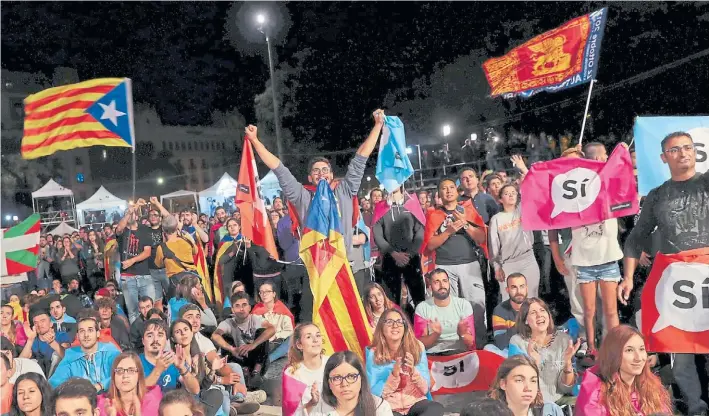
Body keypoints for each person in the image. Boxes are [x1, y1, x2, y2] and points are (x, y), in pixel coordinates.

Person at [620, 131, 709, 415]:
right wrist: (628, 277)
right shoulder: (657, 196)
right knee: (681, 358)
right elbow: (634, 239)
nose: (683, 153)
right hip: (677, 285)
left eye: (688, 147)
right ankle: (696, 409)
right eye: (675, 150)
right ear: (663, 158)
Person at [568, 142, 625, 359]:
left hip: (608, 258)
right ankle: (592, 348)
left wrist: (621, 152)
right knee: (589, 311)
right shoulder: (573, 190)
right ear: (595, 159)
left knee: (611, 310)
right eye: (603, 156)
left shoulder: (609, 183)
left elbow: (623, 177)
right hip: (584, 261)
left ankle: (614, 347)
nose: (606, 159)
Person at [422, 178, 488, 343]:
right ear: (439, 194)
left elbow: (481, 237)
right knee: (450, 310)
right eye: (444, 188)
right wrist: (448, 231)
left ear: (457, 191)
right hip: (445, 267)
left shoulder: (468, 209)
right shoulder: (434, 214)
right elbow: (429, 245)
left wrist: (465, 224)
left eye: (452, 187)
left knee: (477, 307)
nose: (449, 190)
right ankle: (454, 345)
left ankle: (479, 344)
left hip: (470, 264)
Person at [575, 325, 672, 416]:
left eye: (642, 349)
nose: (638, 358)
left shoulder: (651, 385)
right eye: (629, 350)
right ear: (613, 355)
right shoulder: (595, 393)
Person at [366, 309, 442, 416]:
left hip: (416, 402)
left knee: (434, 408)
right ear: (381, 328)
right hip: (390, 406)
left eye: (399, 321)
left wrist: (413, 371)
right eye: (389, 322)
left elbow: (425, 389)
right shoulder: (373, 353)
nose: (395, 325)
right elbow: (375, 393)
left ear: (405, 327)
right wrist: (394, 376)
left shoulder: (417, 346)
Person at [508, 298, 579, 405]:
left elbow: (565, 389)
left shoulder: (564, 340)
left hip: (559, 400)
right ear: (526, 320)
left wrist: (568, 363)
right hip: (530, 402)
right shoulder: (517, 342)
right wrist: (533, 363)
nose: (539, 315)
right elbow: (518, 385)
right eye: (533, 312)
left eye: (542, 310)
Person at [372, 186, 426, 307]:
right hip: (389, 258)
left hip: (411, 258)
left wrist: (410, 254)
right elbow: (377, 234)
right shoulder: (380, 207)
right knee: (391, 301)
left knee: (419, 300)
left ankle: (419, 325)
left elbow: (420, 231)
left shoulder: (412, 203)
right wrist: (393, 254)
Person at [210, 292, 275, 389]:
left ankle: (256, 373)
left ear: (249, 307)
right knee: (225, 336)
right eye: (237, 306)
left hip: (256, 360)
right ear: (232, 309)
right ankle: (243, 373)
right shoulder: (228, 322)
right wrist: (231, 349)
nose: (241, 309)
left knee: (263, 333)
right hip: (237, 357)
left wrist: (253, 345)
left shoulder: (255, 319)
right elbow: (215, 335)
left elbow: (272, 329)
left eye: (244, 305)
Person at [489, 185, 540, 299]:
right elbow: (493, 245)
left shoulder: (523, 211)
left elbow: (532, 191)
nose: (511, 195)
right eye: (506, 193)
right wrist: (497, 267)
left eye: (513, 192)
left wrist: (523, 170)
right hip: (508, 264)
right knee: (510, 299)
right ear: (500, 199)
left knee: (531, 297)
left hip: (528, 260)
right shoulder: (496, 219)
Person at [306, 351, 393, 416]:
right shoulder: (319, 410)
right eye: (337, 378)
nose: (344, 384)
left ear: (361, 378)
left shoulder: (379, 407)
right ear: (328, 383)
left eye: (351, 376)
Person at [49, 313, 121, 390]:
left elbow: (123, 374)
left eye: (90, 330)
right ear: (77, 336)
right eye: (82, 331)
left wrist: (100, 385)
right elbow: (53, 385)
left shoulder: (110, 351)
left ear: (98, 333)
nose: (86, 335)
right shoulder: (71, 357)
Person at [412, 269, 476, 354]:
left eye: (445, 281)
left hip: (459, 354)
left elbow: (471, 344)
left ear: (449, 283)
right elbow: (419, 344)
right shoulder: (422, 308)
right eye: (436, 282)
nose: (442, 285)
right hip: (433, 355)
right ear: (430, 287)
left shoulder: (464, 305)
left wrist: (463, 334)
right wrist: (435, 335)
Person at [115, 203, 156, 324]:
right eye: (128, 212)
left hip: (144, 275)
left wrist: (132, 260)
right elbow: (119, 229)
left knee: (150, 309)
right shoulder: (123, 232)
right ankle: (138, 338)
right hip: (128, 277)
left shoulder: (145, 230)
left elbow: (147, 252)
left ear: (137, 216)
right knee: (133, 311)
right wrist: (128, 212)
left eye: (133, 213)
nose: (131, 214)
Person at [488, 355, 565, 416]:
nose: (528, 388)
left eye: (533, 381)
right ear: (503, 384)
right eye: (519, 380)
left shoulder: (551, 411)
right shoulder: (485, 412)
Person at [282, 323, 330, 416]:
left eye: (318, 335)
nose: (315, 340)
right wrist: (312, 403)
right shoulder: (292, 373)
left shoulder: (333, 364)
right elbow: (291, 413)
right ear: (299, 345)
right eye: (309, 337)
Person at [96, 351, 162, 416]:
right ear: (113, 376)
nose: (125, 376)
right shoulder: (101, 403)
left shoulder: (153, 400)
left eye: (131, 370)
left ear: (139, 375)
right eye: (120, 371)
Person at [251, 281, 294, 363]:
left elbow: (289, 330)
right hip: (262, 344)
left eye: (267, 291)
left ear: (274, 294)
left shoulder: (283, 310)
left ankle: (268, 359)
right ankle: (265, 359)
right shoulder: (256, 311)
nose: (264, 294)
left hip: (278, 342)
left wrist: (276, 336)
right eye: (261, 292)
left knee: (291, 338)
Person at [487, 273, 528, 357]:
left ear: (527, 288)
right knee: (488, 349)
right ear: (507, 290)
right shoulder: (500, 310)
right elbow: (500, 342)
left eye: (522, 286)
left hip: (531, 349)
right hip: (510, 350)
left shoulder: (534, 306)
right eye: (514, 287)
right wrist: (519, 324)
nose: (519, 291)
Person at [24, 307, 71, 375]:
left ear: (51, 323)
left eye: (43, 321)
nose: (39, 325)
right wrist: (30, 340)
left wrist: (52, 343)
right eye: (36, 323)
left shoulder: (61, 336)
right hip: (37, 377)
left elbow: (68, 358)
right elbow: (20, 363)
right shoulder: (32, 340)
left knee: (56, 356)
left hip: (57, 376)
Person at [81, 230, 105, 295]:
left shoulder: (100, 243)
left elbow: (104, 254)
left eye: (93, 235)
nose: (92, 237)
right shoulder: (86, 245)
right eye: (90, 235)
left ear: (96, 236)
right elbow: (87, 256)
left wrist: (97, 254)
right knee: (94, 286)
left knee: (103, 285)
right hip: (91, 269)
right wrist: (96, 254)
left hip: (101, 268)